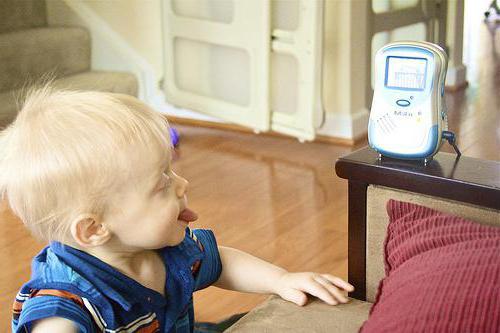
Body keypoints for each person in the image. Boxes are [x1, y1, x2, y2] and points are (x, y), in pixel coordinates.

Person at [0, 85, 354, 333]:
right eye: (162, 183)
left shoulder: (167, 250)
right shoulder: (65, 303)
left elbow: (220, 263)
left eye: (171, 170)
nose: (182, 183)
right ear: (94, 229)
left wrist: (281, 279)